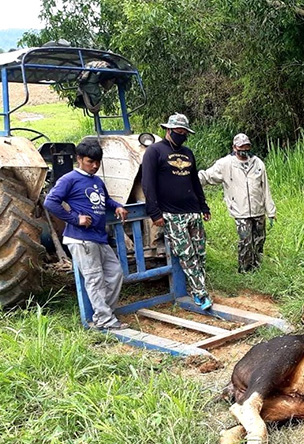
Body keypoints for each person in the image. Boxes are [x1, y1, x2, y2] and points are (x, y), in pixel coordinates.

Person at [44, 138, 129, 330]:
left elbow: (105, 200)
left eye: (98, 162)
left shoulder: (97, 180)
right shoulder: (69, 179)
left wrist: (118, 207)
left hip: (99, 237)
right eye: (90, 162)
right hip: (81, 238)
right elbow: (50, 202)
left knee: (115, 273)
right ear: (79, 159)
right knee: (95, 279)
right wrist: (75, 219)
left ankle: (102, 314)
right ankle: (105, 320)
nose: (95, 166)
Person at [141, 113, 213, 311]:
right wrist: (154, 212)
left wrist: (203, 206)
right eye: (178, 132)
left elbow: (194, 182)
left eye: (184, 133)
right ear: (168, 130)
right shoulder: (154, 152)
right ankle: (200, 293)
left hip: (192, 211)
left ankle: (200, 286)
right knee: (186, 253)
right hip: (172, 214)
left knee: (199, 252)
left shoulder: (188, 153)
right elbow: (147, 184)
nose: (181, 135)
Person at [198, 133, 276, 273]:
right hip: (240, 210)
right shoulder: (225, 164)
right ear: (234, 147)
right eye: (241, 146)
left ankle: (257, 267)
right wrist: (190, 180)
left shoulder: (257, 163)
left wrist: (271, 211)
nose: (244, 149)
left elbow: (265, 188)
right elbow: (207, 176)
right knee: (246, 241)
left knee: (259, 240)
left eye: (247, 146)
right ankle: (245, 270)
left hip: (258, 208)